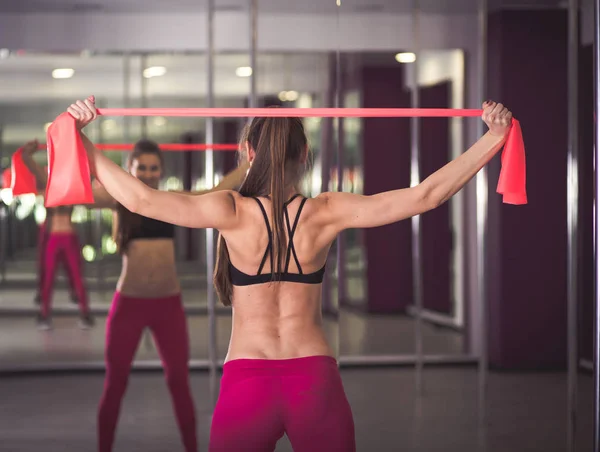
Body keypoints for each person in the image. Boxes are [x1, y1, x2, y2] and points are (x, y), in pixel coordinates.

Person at [66, 96, 512, 452]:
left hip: (246, 383)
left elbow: (141, 201)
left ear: (248, 152)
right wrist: (493, 138)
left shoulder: (230, 211)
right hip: (314, 384)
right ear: (304, 154)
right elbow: (425, 196)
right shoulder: (326, 211)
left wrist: (81, 142)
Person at [80, 135, 248, 452]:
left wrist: (249, 164)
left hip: (167, 305)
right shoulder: (117, 199)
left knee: (178, 383)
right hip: (128, 305)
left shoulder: (170, 200)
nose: (147, 173)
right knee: (115, 385)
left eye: (153, 168)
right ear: (130, 168)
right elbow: (75, 195)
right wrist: (68, 149)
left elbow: (212, 193)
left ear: (161, 171)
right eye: (140, 167)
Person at [21, 140, 93, 330]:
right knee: (48, 278)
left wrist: (78, 146)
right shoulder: (47, 183)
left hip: (68, 237)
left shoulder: (72, 183)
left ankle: (85, 314)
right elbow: (29, 162)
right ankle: (44, 315)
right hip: (54, 238)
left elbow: (86, 165)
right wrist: (27, 153)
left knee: (77, 278)